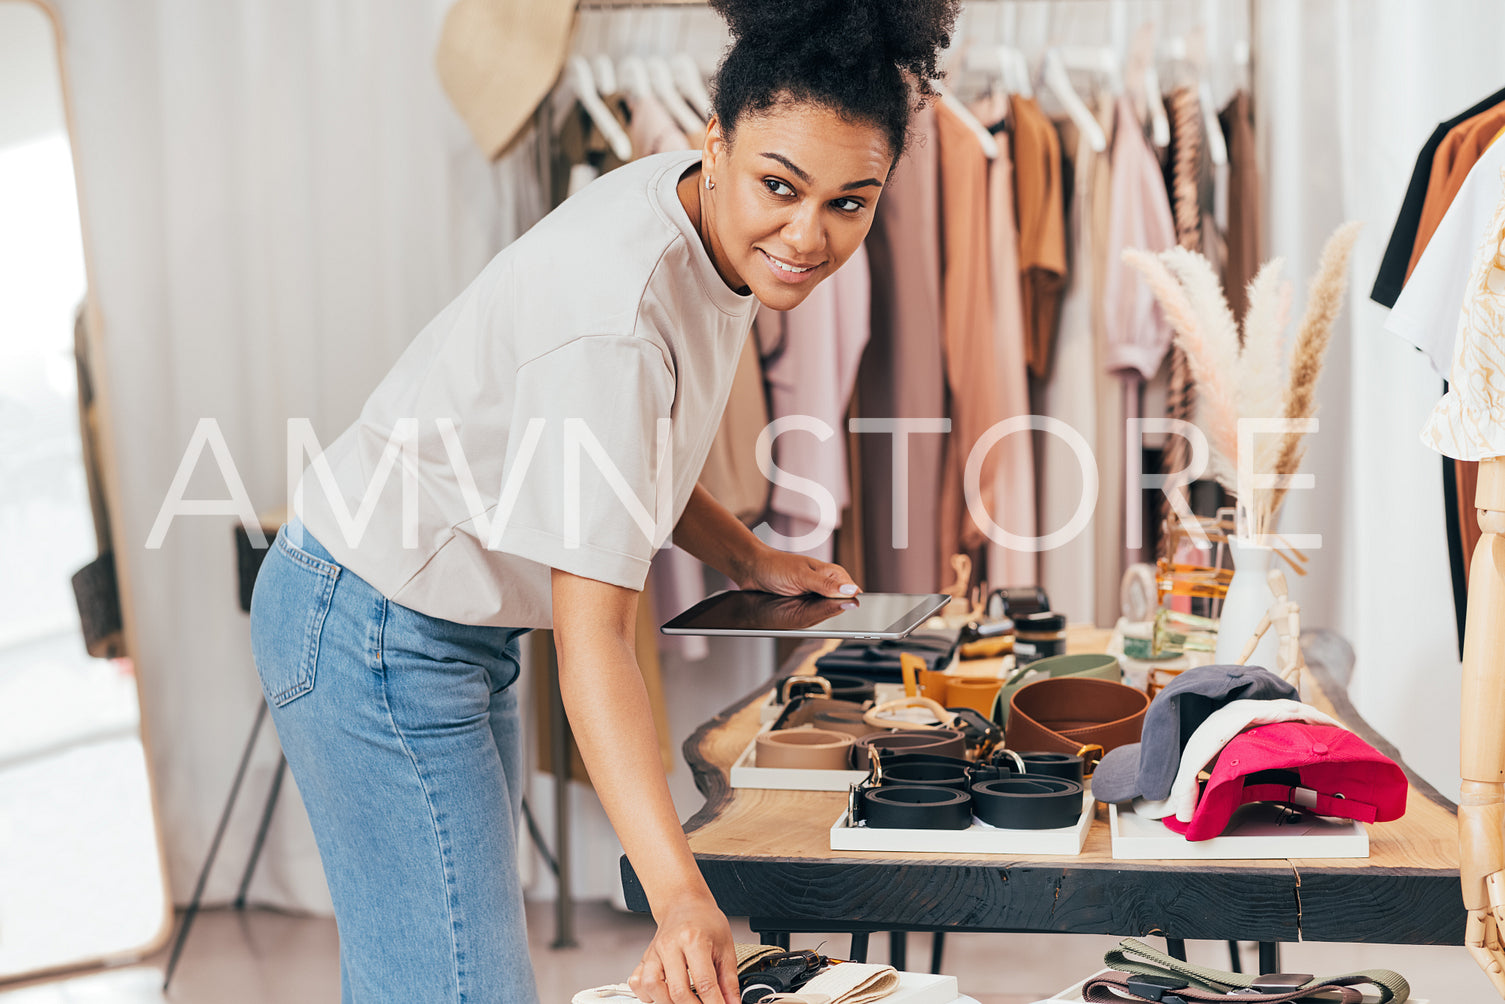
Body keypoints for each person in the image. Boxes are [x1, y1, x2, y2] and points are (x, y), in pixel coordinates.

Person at [247, 0, 960, 1001]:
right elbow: (594, 648)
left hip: (434, 622)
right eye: (778, 187)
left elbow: (631, 452)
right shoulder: (615, 319)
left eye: (850, 201)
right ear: (714, 143)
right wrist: (678, 895)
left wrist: (747, 555)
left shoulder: (693, 215)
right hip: (369, 622)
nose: (807, 234)